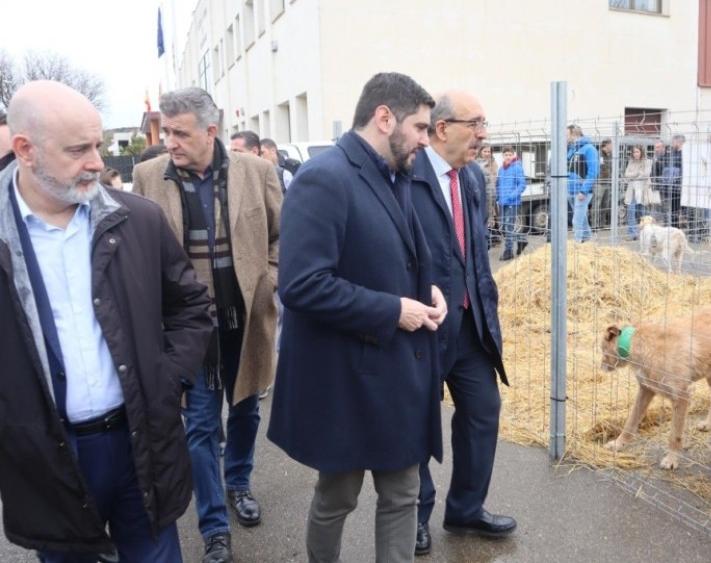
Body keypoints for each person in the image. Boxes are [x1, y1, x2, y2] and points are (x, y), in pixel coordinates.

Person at [0, 80, 212, 561]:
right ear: (25, 150)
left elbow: (191, 308)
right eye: (79, 149)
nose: (98, 162)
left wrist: (166, 379)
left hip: (142, 444)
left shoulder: (138, 220)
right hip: (49, 458)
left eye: (97, 145)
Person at [267, 72, 446, 563]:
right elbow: (301, 284)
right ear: (384, 118)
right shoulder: (324, 177)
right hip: (346, 377)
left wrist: (427, 292)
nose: (426, 140)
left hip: (398, 372)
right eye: (422, 127)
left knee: (403, 492)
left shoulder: (397, 174)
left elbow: (395, 257)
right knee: (338, 497)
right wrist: (393, 310)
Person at [133, 87, 282, 563]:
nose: (170, 141)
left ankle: (238, 482)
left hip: (245, 321)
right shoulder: (147, 176)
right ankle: (214, 525)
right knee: (199, 425)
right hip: (187, 329)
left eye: (180, 132)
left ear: (210, 131)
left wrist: (270, 278)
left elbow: (285, 235)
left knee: (244, 410)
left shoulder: (257, 172)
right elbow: (140, 248)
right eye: (167, 131)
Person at [410, 90, 515, 556]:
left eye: (484, 123)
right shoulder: (407, 176)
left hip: (471, 327)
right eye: (474, 124)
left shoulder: (472, 177)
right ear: (441, 128)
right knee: (417, 423)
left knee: (482, 413)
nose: (483, 134)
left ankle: (466, 509)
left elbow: (475, 252)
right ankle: (415, 515)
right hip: (424, 326)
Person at [565, 125, 599, 243]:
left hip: (581, 191)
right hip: (571, 189)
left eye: (567, 134)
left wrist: (584, 191)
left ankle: (577, 248)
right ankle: (588, 242)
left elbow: (593, 172)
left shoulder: (590, 149)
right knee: (582, 218)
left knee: (576, 221)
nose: (565, 137)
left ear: (573, 134)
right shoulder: (572, 149)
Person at [496, 146, 527, 260]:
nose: (508, 157)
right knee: (504, 227)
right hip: (502, 202)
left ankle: (508, 251)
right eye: (506, 155)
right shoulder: (501, 169)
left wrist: (511, 196)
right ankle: (521, 240)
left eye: (510, 154)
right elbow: (498, 184)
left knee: (508, 227)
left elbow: (522, 185)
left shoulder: (517, 167)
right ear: (503, 156)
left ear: (513, 155)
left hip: (512, 202)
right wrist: (497, 197)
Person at [623, 145, 652, 240]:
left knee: (642, 212)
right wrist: (636, 174)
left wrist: (634, 176)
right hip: (632, 190)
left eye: (637, 152)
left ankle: (645, 232)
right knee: (631, 211)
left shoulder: (647, 162)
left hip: (642, 189)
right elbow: (626, 175)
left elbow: (645, 175)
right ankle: (632, 233)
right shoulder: (631, 162)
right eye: (634, 152)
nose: (635, 154)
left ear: (641, 152)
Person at [476, 145, 500, 246]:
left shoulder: (493, 162)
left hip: (489, 192)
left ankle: (490, 241)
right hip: (479, 193)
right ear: (480, 152)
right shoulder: (475, 162)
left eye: (488, 151)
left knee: (490, 217)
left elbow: (494, 177)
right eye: (484, 151)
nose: (486, 153)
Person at [659, 135, 685, 229]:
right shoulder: (672, 153)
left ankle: (676, 228)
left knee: (677, 209)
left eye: (673, 142)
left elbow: (681, 170)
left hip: (678, 185)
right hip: (671, 185)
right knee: (673, 209)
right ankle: (674, 228)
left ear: (679, 142)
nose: (672, 144)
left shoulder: (684, 154)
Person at [592, 138, 613, 230]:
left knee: (605, 203)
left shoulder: (609, 155)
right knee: (596, 204)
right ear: (607, 145)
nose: (612, 147)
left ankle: (602, 224)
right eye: (611, 145)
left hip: (607, 182)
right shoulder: (598, 154)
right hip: (599, 183)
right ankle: (594, 224)